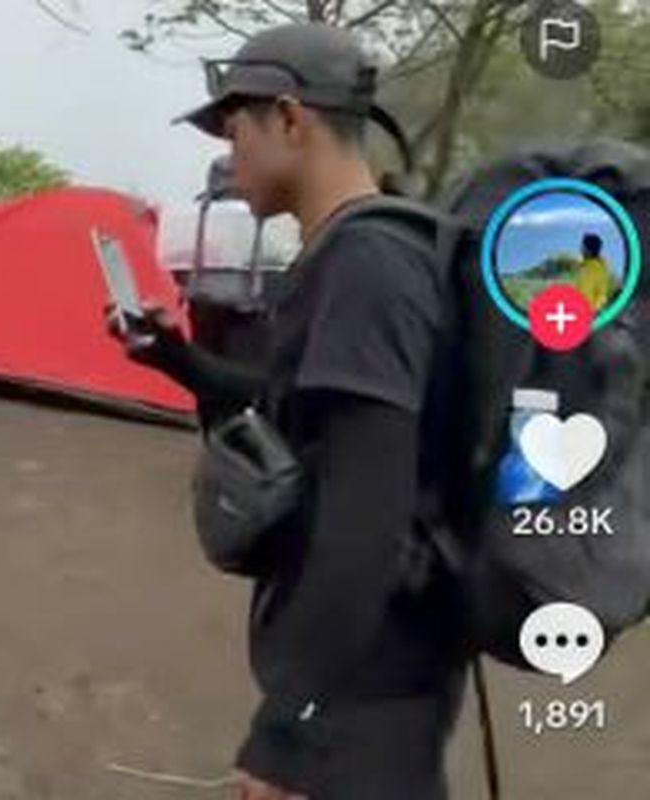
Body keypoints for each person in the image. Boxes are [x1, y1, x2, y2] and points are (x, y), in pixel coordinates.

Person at [110, 24, 467, 799]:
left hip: (368, 691)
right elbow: (298, 421)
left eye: (234, 128)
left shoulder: (368, 263)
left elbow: (364, 519)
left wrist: (288, 729)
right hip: (374, 673)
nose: (228, 151)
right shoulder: (350, 251)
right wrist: (177, 359)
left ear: (291, 119)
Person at [578, 232, 616, 311]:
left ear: (587, 249)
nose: (580, 249)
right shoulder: (602, 267)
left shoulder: (591, 269)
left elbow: (584, 293)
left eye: (582, 246)